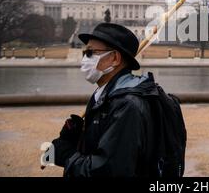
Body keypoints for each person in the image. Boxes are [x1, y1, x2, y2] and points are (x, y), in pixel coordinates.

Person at [51, 23, 159, 177]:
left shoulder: (127, 106)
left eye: (90, 53)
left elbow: (107, 171)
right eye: (85, 52)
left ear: (114, 58)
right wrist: (77, 139)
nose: (85, 58)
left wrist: (67, 156)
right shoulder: (105, 94)